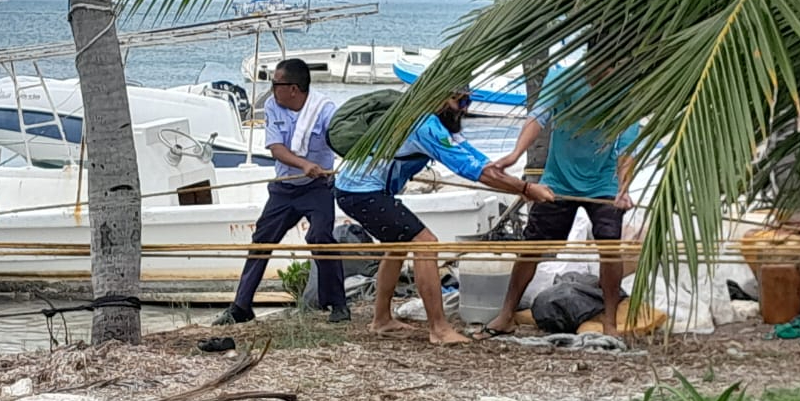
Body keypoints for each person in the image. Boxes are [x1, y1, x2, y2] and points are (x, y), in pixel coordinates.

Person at [334, 89, 555, 344]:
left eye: (467, 101)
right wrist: (525, 188)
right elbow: (470, 169)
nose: (464, 107)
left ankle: (381, 319)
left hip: (366, 190)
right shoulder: (425, 125)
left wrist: (513, 178)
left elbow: (474, 158)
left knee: (397, 245)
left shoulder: (440, 124)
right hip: (360, 192)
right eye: (459, 101)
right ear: (439, 98)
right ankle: (438, 329)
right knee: (425, 243)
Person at [479, 65, 641, 339]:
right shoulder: (563, 77)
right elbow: (538, 116)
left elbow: (626, 149)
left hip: (604, 182)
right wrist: (515, 154)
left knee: (610, 248)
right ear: (594, 59)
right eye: (604, 68)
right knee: (533, 247)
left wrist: (623, 189)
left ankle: (610, 322)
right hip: (558, 179)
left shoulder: (628, 93)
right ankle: (506, 314)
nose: (608, 75)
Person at [212, 58, 349, 325]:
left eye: (276, 84)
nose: (272, 89)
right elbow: (275, 148)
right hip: (284, 188)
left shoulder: (324, 110)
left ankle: (338, 305)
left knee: (321, 238)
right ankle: (241, 306)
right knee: (262, 240)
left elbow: (343, 138)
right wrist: (304, 164)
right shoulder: (274, 106)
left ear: (294, 88)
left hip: (317, 187)